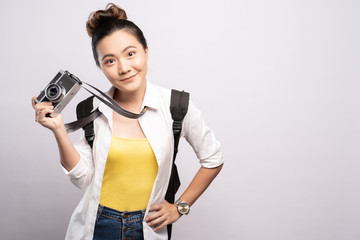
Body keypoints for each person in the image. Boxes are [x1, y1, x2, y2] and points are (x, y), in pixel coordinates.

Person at [31, 3, 223, 240]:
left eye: (130, 53)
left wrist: (179, 208)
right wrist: (58, 129)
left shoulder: (177, 106)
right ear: (101, 67)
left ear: (146, 51)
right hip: (97, 226)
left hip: (148, 227)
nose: (123, 68)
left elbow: (213, 159)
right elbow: (82, 178)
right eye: (109, 61)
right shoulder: (91, 109)